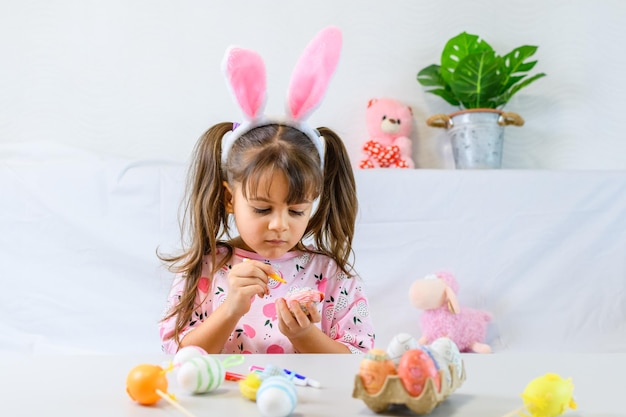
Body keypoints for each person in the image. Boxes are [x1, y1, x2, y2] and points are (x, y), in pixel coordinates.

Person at [158, 26, 375, 354]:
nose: (279, 224)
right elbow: (177, 354)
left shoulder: (332, 277)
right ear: (230, 198)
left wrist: (304, 336)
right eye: (262, 208)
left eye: (297, 210)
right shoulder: (205, 271)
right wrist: (231, 308)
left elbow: (361, 360)